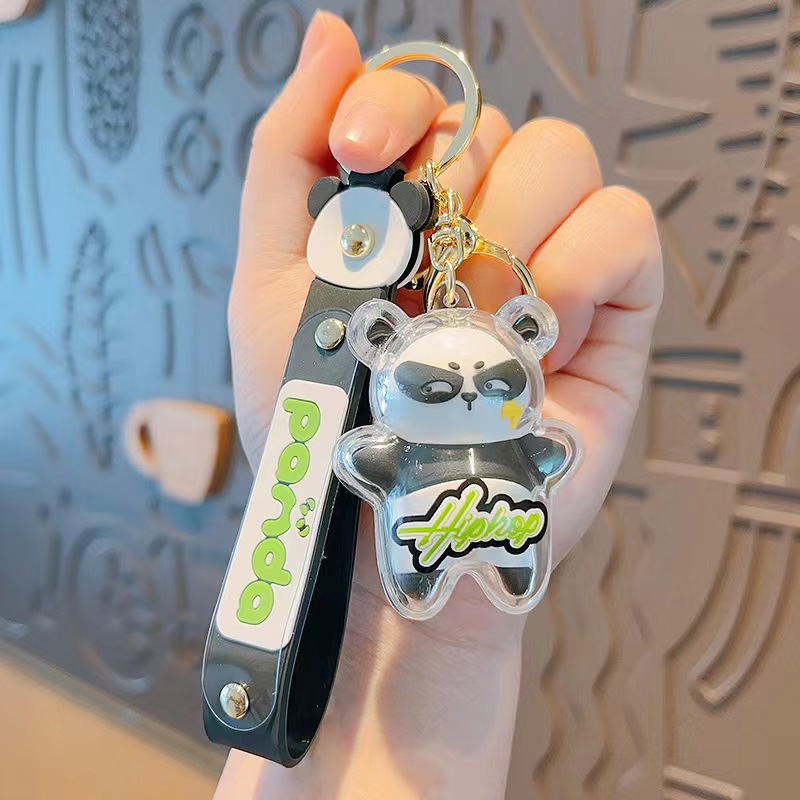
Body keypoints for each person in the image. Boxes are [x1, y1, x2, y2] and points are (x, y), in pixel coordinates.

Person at [215, 11, 662, 799]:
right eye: (437, 386)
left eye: (489, 384)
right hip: (388, 547)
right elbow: (364, 458)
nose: (465, 394)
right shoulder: (364, 411)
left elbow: (545, 452)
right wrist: (362, 614)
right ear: (381, 345)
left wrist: (439, 656)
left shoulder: (518, 420)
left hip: (477, 542)